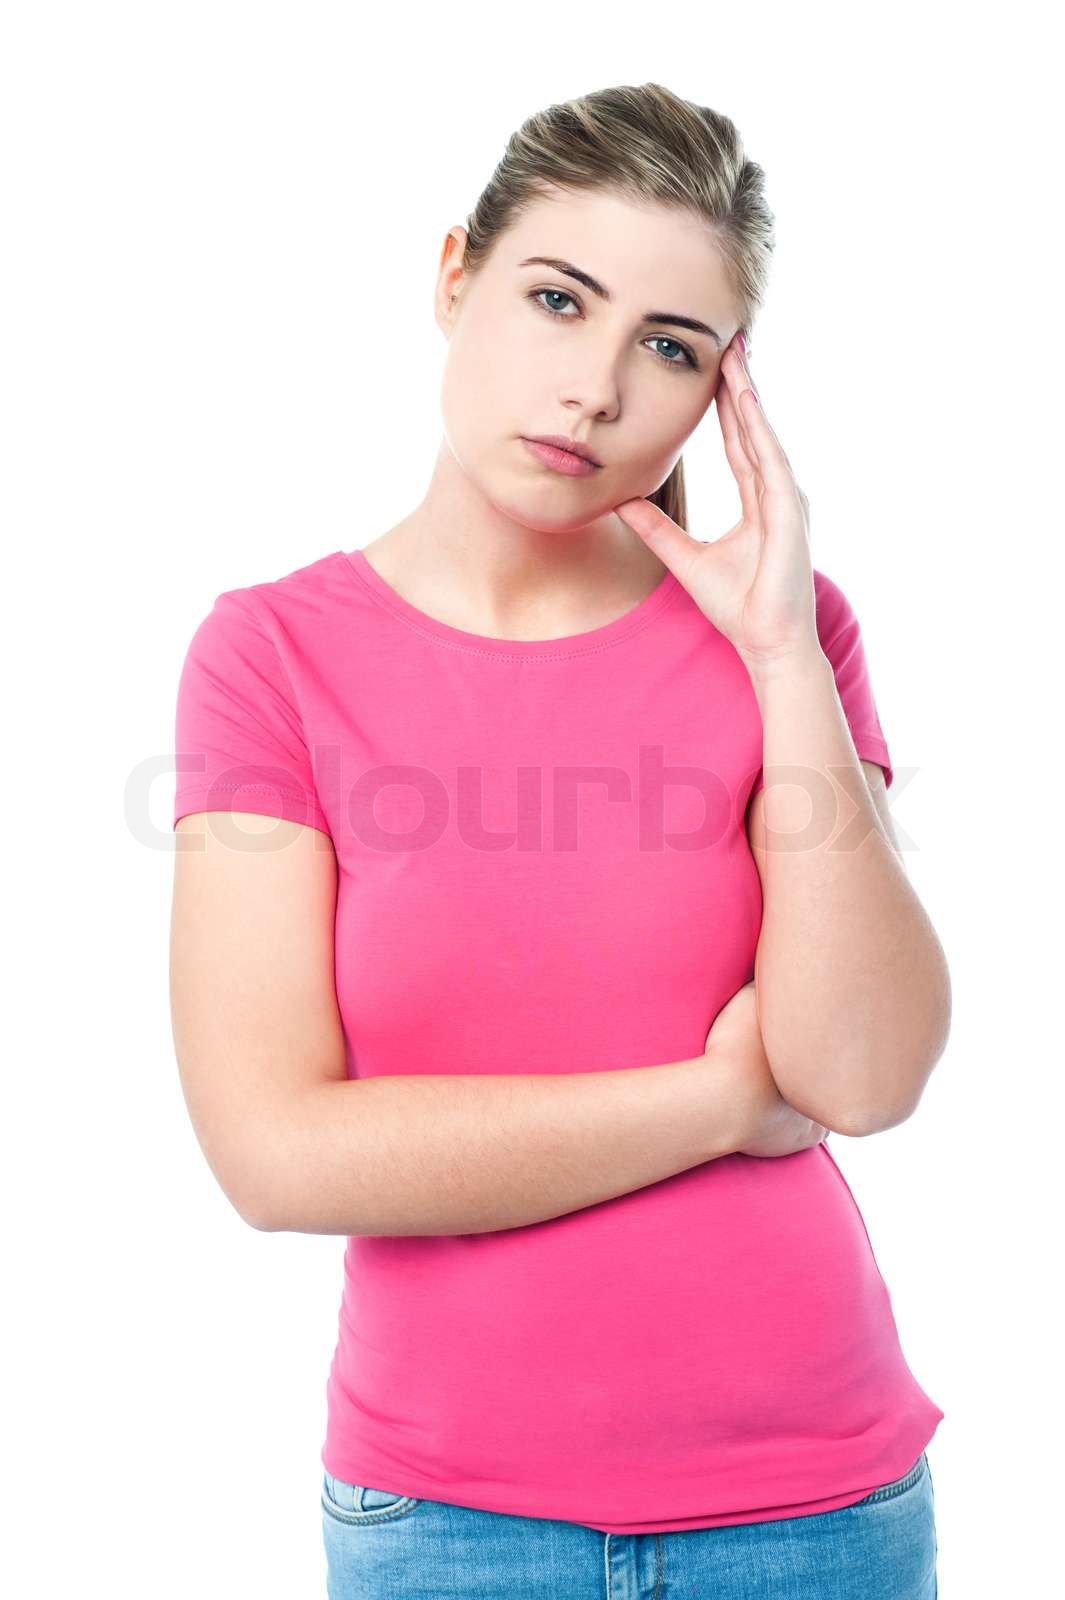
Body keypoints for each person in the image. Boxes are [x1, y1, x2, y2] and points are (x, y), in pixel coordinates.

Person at [170, 81, 948, 1599]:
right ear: (455, 275)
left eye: (669, 346)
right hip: (447, 1523)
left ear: (721, 392)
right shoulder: (271, 656)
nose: (593, 390)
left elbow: (863, 1074)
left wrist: (781, 658)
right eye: (554, 299)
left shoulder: (786, 640)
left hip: (816, 1511)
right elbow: (271, 1150)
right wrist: (723, 1100)